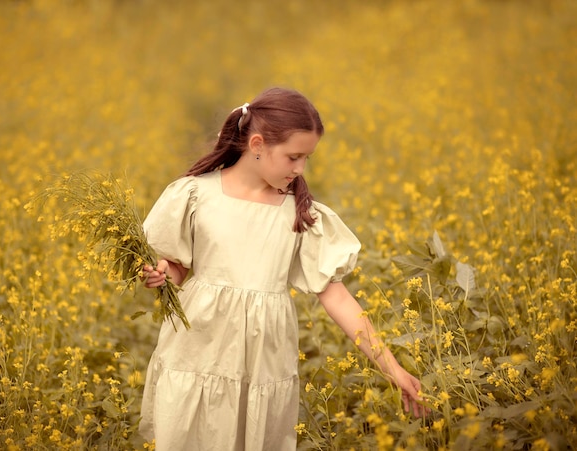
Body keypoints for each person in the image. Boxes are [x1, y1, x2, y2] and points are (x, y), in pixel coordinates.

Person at [139, 87, 424, 450]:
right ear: (257, 144)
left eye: (307, 159)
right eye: (294, 157)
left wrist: (392, 367)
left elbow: (335, 296)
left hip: (264, 361)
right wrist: (163, 273)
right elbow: (178, 266)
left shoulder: (299, 214)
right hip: (199, 349)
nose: (300, 168)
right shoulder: (196, 195)